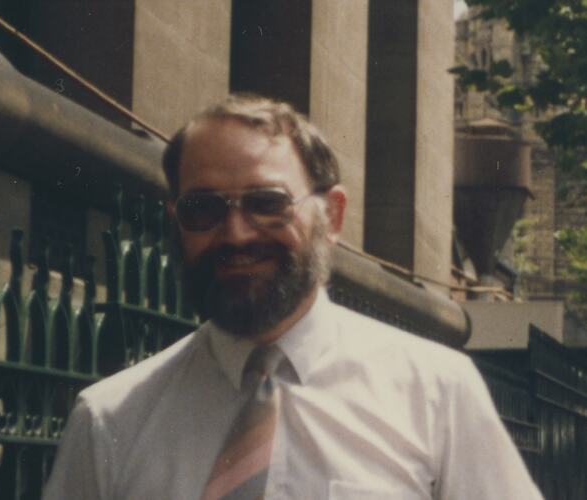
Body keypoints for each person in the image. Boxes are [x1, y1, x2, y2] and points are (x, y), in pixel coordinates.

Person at [42, 95, 543, 499]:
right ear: (177, 221)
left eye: (268, 203)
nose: (236, 234)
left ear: (334, 217)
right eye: (203, 209)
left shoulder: (435, 394)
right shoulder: (110, 421)